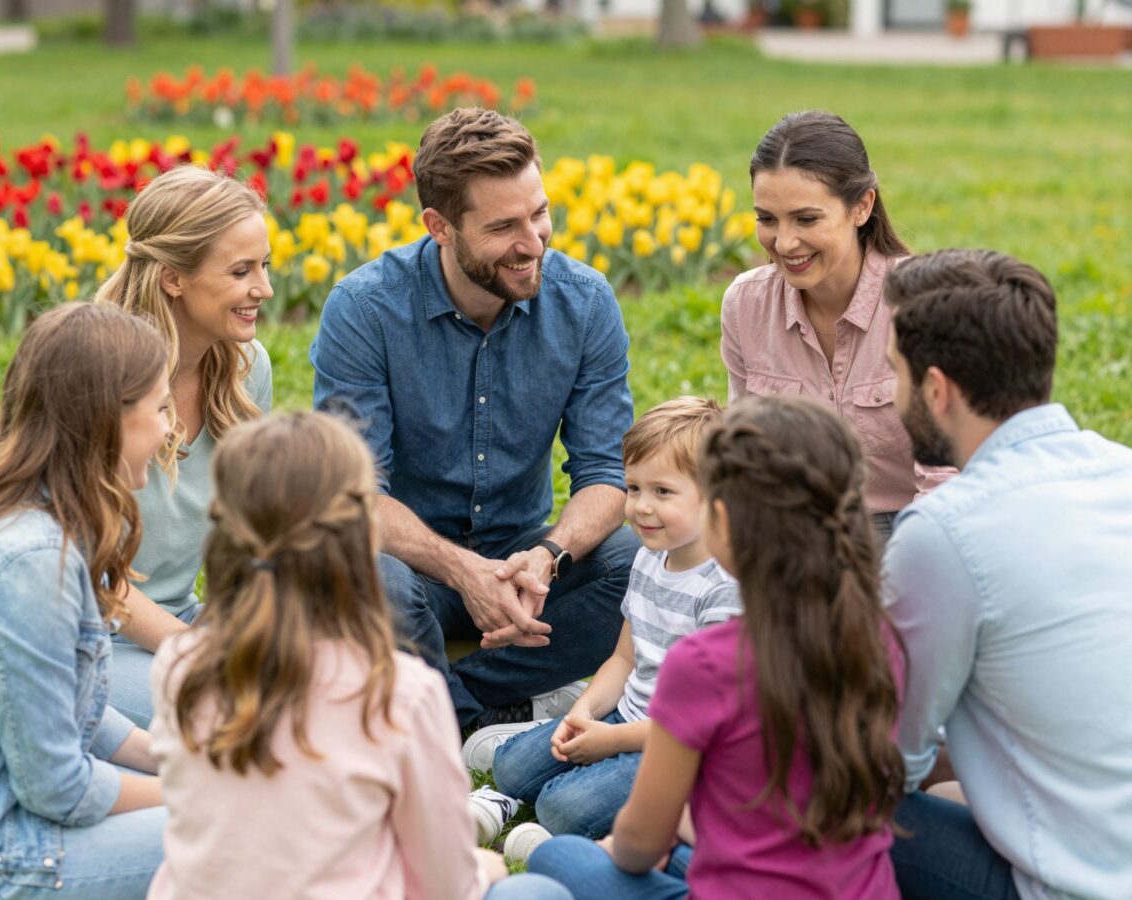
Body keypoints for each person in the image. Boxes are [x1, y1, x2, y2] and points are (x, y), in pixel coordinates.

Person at [147, 411, 573, 900]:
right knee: (537, 892)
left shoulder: (180, 666)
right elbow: (443, 883)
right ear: (361, 535)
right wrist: (484, 870)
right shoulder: (400, 693)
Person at [309, 107, 639, 728]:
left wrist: (549, 555)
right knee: (363, 579)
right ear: (440, 226)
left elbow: (607, 475)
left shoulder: (586, 302)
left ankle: (443, 703)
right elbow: (355, 496)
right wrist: (462, 570)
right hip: (411, 566)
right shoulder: (364, 309)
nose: (533, 241)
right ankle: (490, 716)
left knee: (633, 565)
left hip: (525, 564)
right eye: (504, 226)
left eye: (539, 213)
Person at [530, 396, 905, 899]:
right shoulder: (883, 637)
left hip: (733, 875)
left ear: (723, 515)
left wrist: (633, 843)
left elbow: (639, 846)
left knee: (552, 856)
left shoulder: (710, 658)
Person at [881, 249, 1132, 899]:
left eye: (896, 375)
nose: (892, 395)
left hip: (1067, 886)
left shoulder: (946, 532)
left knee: (817, 799)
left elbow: (885, 764)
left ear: (937, 389)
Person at [0, 303, 171, 898]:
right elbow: (58, 788)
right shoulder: (37, 562)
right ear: (108, 419)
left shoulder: (51, 525)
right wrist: (198, 791)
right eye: (160, 409)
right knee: (243, 829)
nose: (170, 429)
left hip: (4, 818)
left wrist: (172, 756)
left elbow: (75, 712)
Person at [462, 397, 741, 853]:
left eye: (663, 492)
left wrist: (610, 742)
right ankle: (510, 791)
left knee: (563, 806)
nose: (641, 507)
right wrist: (585, 712)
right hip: (627, 715)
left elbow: (705, 724)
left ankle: (559, 825)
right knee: (511, 766)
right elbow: (626, 657)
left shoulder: (725, 590)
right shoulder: (651, 558)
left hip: (682, 748)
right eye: (633, 488)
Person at [96, 164, 274, 728]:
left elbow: (246, 541)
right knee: (235, 719)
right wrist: (200, 656)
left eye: (264, 267)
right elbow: (89, 578)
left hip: (185, 626)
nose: (264, 290)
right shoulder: (95, 374)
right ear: (174, 277)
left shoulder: (248, 368)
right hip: (82, 638)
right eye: (241, 271)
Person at [721, 110, 952, 540]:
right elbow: (745, 456)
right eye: (767, 219)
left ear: (862, 206)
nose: (784, 242)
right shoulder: (745, 303)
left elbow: (946, 481)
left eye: (806, 219)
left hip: (912, 527)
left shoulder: (922, 304)